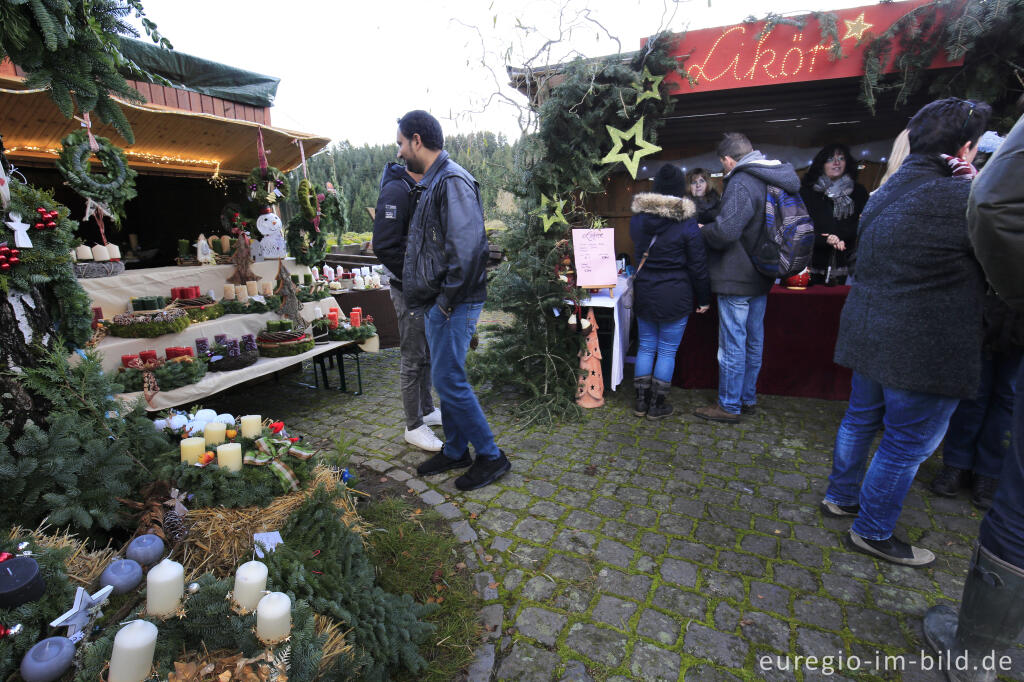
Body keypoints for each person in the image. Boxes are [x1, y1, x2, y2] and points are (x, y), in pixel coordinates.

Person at [822, 97, 992, 568]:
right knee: (903, 445)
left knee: (859, 420)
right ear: (965, 147)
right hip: (923, 345)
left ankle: (841, 497)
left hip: (871, 331)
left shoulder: (885, 191)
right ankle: (872, 531)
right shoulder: (967, 197)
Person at [923, 106, 1024, 682]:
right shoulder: (968, 190)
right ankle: (966, 471)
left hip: (1000, 307)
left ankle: (972, 472)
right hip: (1000, 312)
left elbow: (996, 205)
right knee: (990, 394)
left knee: (992, 396)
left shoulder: (980, 187)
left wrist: (1011, 290)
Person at [397, 110, 511, 491]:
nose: (399, 152)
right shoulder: (434, 182)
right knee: (448, 381)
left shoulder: (453, 181)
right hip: (441, 301)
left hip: (454, 301)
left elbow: (466, 251)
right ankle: (458, 448)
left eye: (400, 143)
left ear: (416, 140)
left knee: (449, 379)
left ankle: (492, 455)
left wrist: (445, 302)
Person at [693, 132, 801, 423]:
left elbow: (727, 232)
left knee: (733, 343)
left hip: (737, 275)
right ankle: (746, 397)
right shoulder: (773, 175)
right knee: (754, 340)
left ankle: (729, 405)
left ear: (728, 160)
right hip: (763, 270)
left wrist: (704, 231)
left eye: (723, 164)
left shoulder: (742, 180)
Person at [372, 161, 443, 452]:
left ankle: (426, 409)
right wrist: (417, 277)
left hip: (421, 287)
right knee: (413, 358)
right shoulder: (396, 192)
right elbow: (385, 246)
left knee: (425, 353)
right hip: (408, 289)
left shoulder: (414, 189)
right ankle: (413, 426)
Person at [630, 164, 711, 420]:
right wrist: (705, 298)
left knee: (645, 346)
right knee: (666, 350)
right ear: (679, 189)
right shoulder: (687, 222)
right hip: (676, 294)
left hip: (646, 290)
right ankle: (657, 405)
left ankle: (640, 402)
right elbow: (698, 265)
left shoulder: (638, 220)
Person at [930, 291, 1023, 509]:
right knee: (973, 392)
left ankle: (989, 471)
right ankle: (957, 463)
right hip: (983, 311)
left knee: (1009, 398)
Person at [799, 144, 869, 285]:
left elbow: (864, 223)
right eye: (831, 159)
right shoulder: (806, 191)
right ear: (821, 164)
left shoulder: (859, 192)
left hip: (844, 261)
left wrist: (840, 237)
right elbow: (799, 224)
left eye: (841, 158)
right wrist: (824, 238)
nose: (836, 162)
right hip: (811, 261)